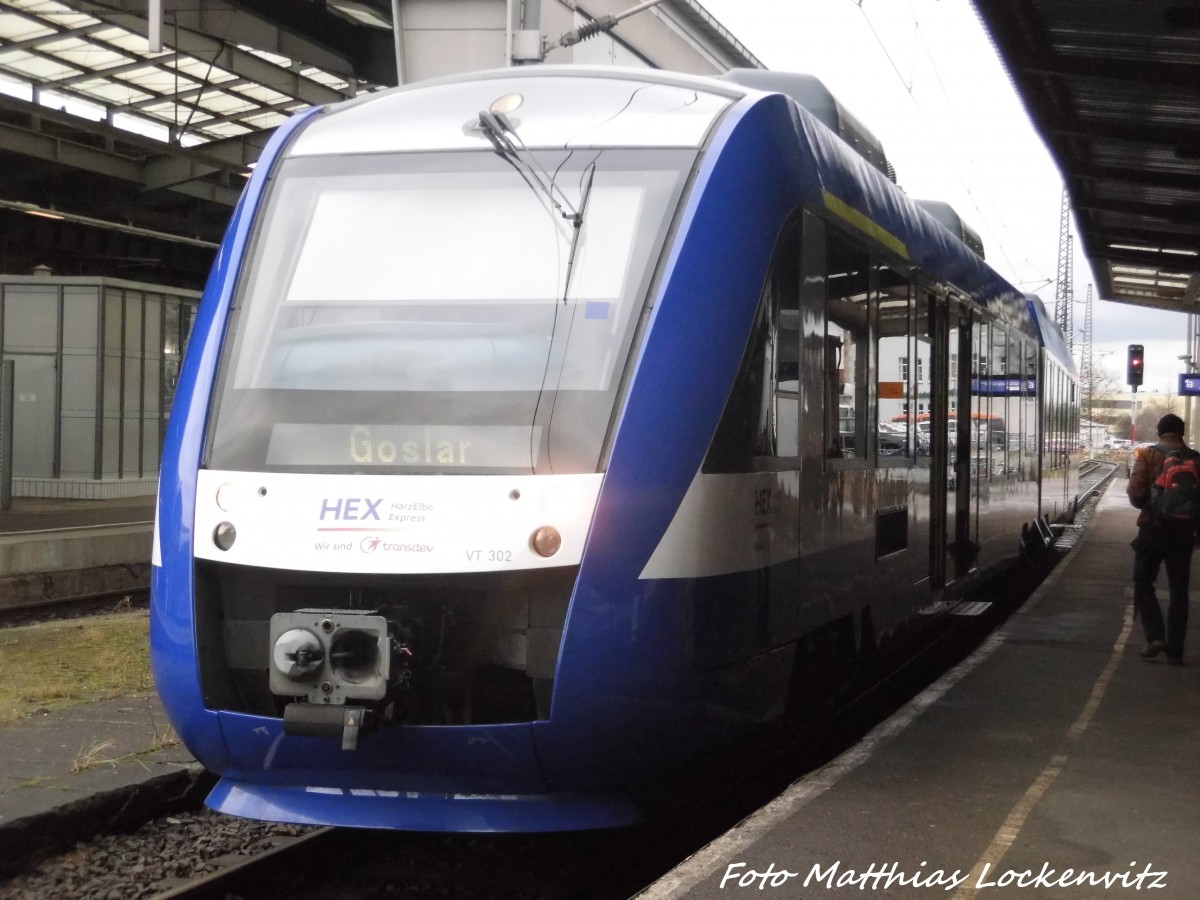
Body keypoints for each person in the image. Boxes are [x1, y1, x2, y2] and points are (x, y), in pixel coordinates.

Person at [1126, 413, 1196, 665]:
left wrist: (1153, 505)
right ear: (1182, 432)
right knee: (1179, 591)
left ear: (1159, 432)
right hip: (1184, 533)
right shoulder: (1196, 459)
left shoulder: (1148, 455)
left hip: (1153, 531)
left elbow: (1135, 493)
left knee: (1143, 582)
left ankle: (1155, 636)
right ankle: (1175, 652)